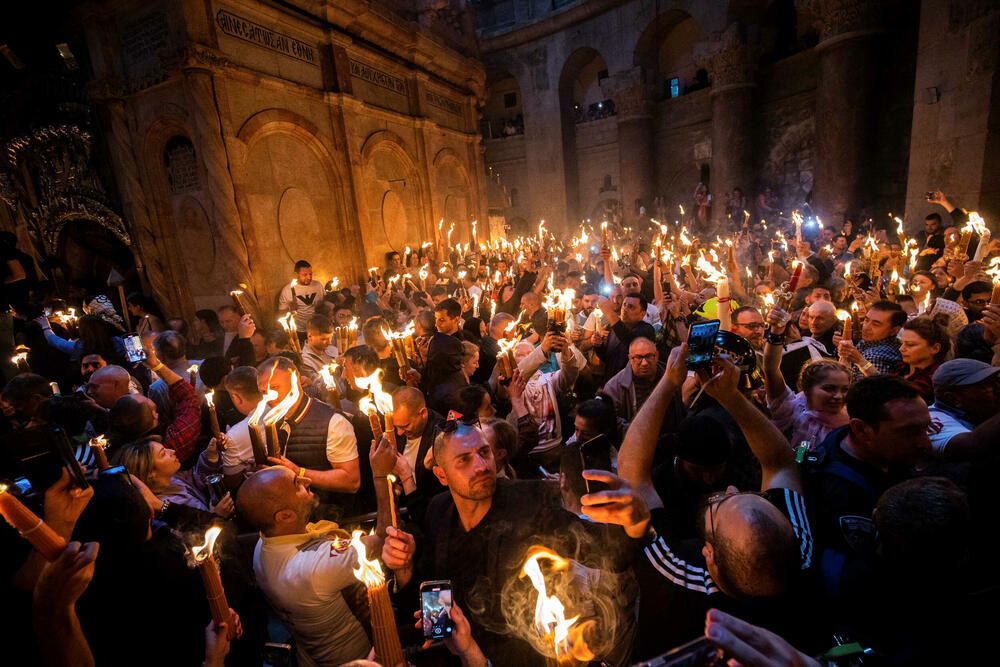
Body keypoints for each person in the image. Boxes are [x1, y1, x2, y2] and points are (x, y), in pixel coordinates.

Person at [380, 416, 632, 666]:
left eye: (484, 452)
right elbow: (436, 600)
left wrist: (635, 523)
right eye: (464, 460)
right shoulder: (438, 510)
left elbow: (611, 553)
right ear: (441, 475)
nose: (481, 465)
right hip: (458, 656)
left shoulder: (529, 503)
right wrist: (405, 571)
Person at [616, 348, 816, 658]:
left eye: (721, 505)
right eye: (749, 496)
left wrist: (669, 382)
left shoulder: (679, 576)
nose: (730, 487)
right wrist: (732, 397)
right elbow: (781, 463)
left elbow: (632, 473)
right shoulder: (800, 552)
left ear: (709, 556)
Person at [806, 376, 932, 599]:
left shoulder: (849, 439)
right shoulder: (840, 496)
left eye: (925, 428)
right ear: (861, 429)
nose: (925, 443)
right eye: (909, 432)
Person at [254, 357, 360, 509]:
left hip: (331, 514)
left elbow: (351, 481)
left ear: (295, 382)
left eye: (275, 388)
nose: (268, 397)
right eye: (263, 392)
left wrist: (298, 472)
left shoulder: (333, 422)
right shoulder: (269, 417)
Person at [764, 308, 850, 448]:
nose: (839, 396)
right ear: (808, 388)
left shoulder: (852, 425)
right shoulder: (790, 410)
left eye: (845, 389)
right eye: (829, 388)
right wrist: (776, 332)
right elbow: (770, 369)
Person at [114, 436, 233, 518]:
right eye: (163, 453)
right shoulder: (163, 509)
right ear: (150, 473)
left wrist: (211, 455)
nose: (172, 451)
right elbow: (193, 540)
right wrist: (217, 517)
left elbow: (196, 477)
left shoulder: (172, 479)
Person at [926, 359, 1000, 460]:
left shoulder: (980, 410)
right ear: (954, 398)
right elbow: (972, 445)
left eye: (997, 381)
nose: (997, 389)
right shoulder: (931, 419)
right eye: (988, 384)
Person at [601, 337, 663, 434]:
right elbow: (610, 421)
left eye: (649, 356)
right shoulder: (614, 387)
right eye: (638, 357)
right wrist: (639, 434)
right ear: (630, 358)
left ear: (657, 356)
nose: (644, 363)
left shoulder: (671, 377)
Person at [593, 292, 656, 378]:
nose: (625, 309)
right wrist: (598, 345)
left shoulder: (646, 330)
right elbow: (607, 357)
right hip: (612, 382)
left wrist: (610, 314)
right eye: (624, 305)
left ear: (642, 313)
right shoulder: (611, 328)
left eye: (631, 307)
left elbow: (630, 341)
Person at [837, 301, 905, 376]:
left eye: (875, 324)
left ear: (894, 330)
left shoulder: (877, 356)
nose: (866, 327)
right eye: (866, 320)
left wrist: (860, 361)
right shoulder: (871, 341)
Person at [895, 316, 949, 404]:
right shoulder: (901, 368)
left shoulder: (935, 380)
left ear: (935, 348)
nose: (901, 349)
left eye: (910, 344)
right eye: (901, 343)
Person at [278, 260, 325, 333]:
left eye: (310, 274)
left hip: (318, 328)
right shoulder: (287, 291)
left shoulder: (318, 285)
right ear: (296, 274)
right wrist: (290, 309)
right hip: (300, 330)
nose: (309, 277)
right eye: (305, 275)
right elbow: (281, 314)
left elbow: (325, 303)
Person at [300, 314, 336, 380]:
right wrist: (335, 365)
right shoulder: (304, 360)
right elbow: (317, 384)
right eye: (324, 339)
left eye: (330, 338)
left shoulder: (333, 350)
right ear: (310, 336)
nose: (329, 342)